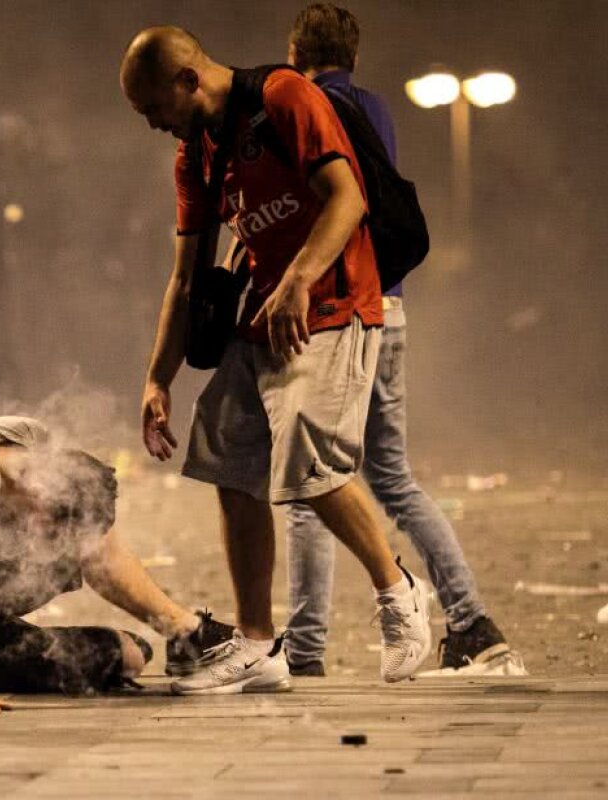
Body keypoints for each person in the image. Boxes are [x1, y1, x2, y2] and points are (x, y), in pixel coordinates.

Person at [119, 26, 431, 693]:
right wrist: (156, 378)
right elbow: (184, 278)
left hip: (335, 302)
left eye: (154, 109)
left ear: (186, 79)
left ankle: (398, 591)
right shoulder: (194, 156)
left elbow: (348, 198)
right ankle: (258, 648)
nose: (153, 125)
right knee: (229, 459)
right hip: (260, 317)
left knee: (307, 466)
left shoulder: (285, 96)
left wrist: (297, 279)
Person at [282, 3, 513, 676]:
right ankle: (472, 622)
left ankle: (304, 651)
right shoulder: (375, 108)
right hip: (392, 305)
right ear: (353, 55)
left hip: (339, 309)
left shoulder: (305, 108)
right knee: (391, 476)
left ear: (297, 52)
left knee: (309, 478)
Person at [0, 416, 234, 714]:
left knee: (91, 543)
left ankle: (187, 632)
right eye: (51, 531)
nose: (54, 547)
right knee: (127, 655)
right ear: (40, 498)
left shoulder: (26, 441)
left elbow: (104, 551)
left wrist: (179, 628)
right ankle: (185, 632)